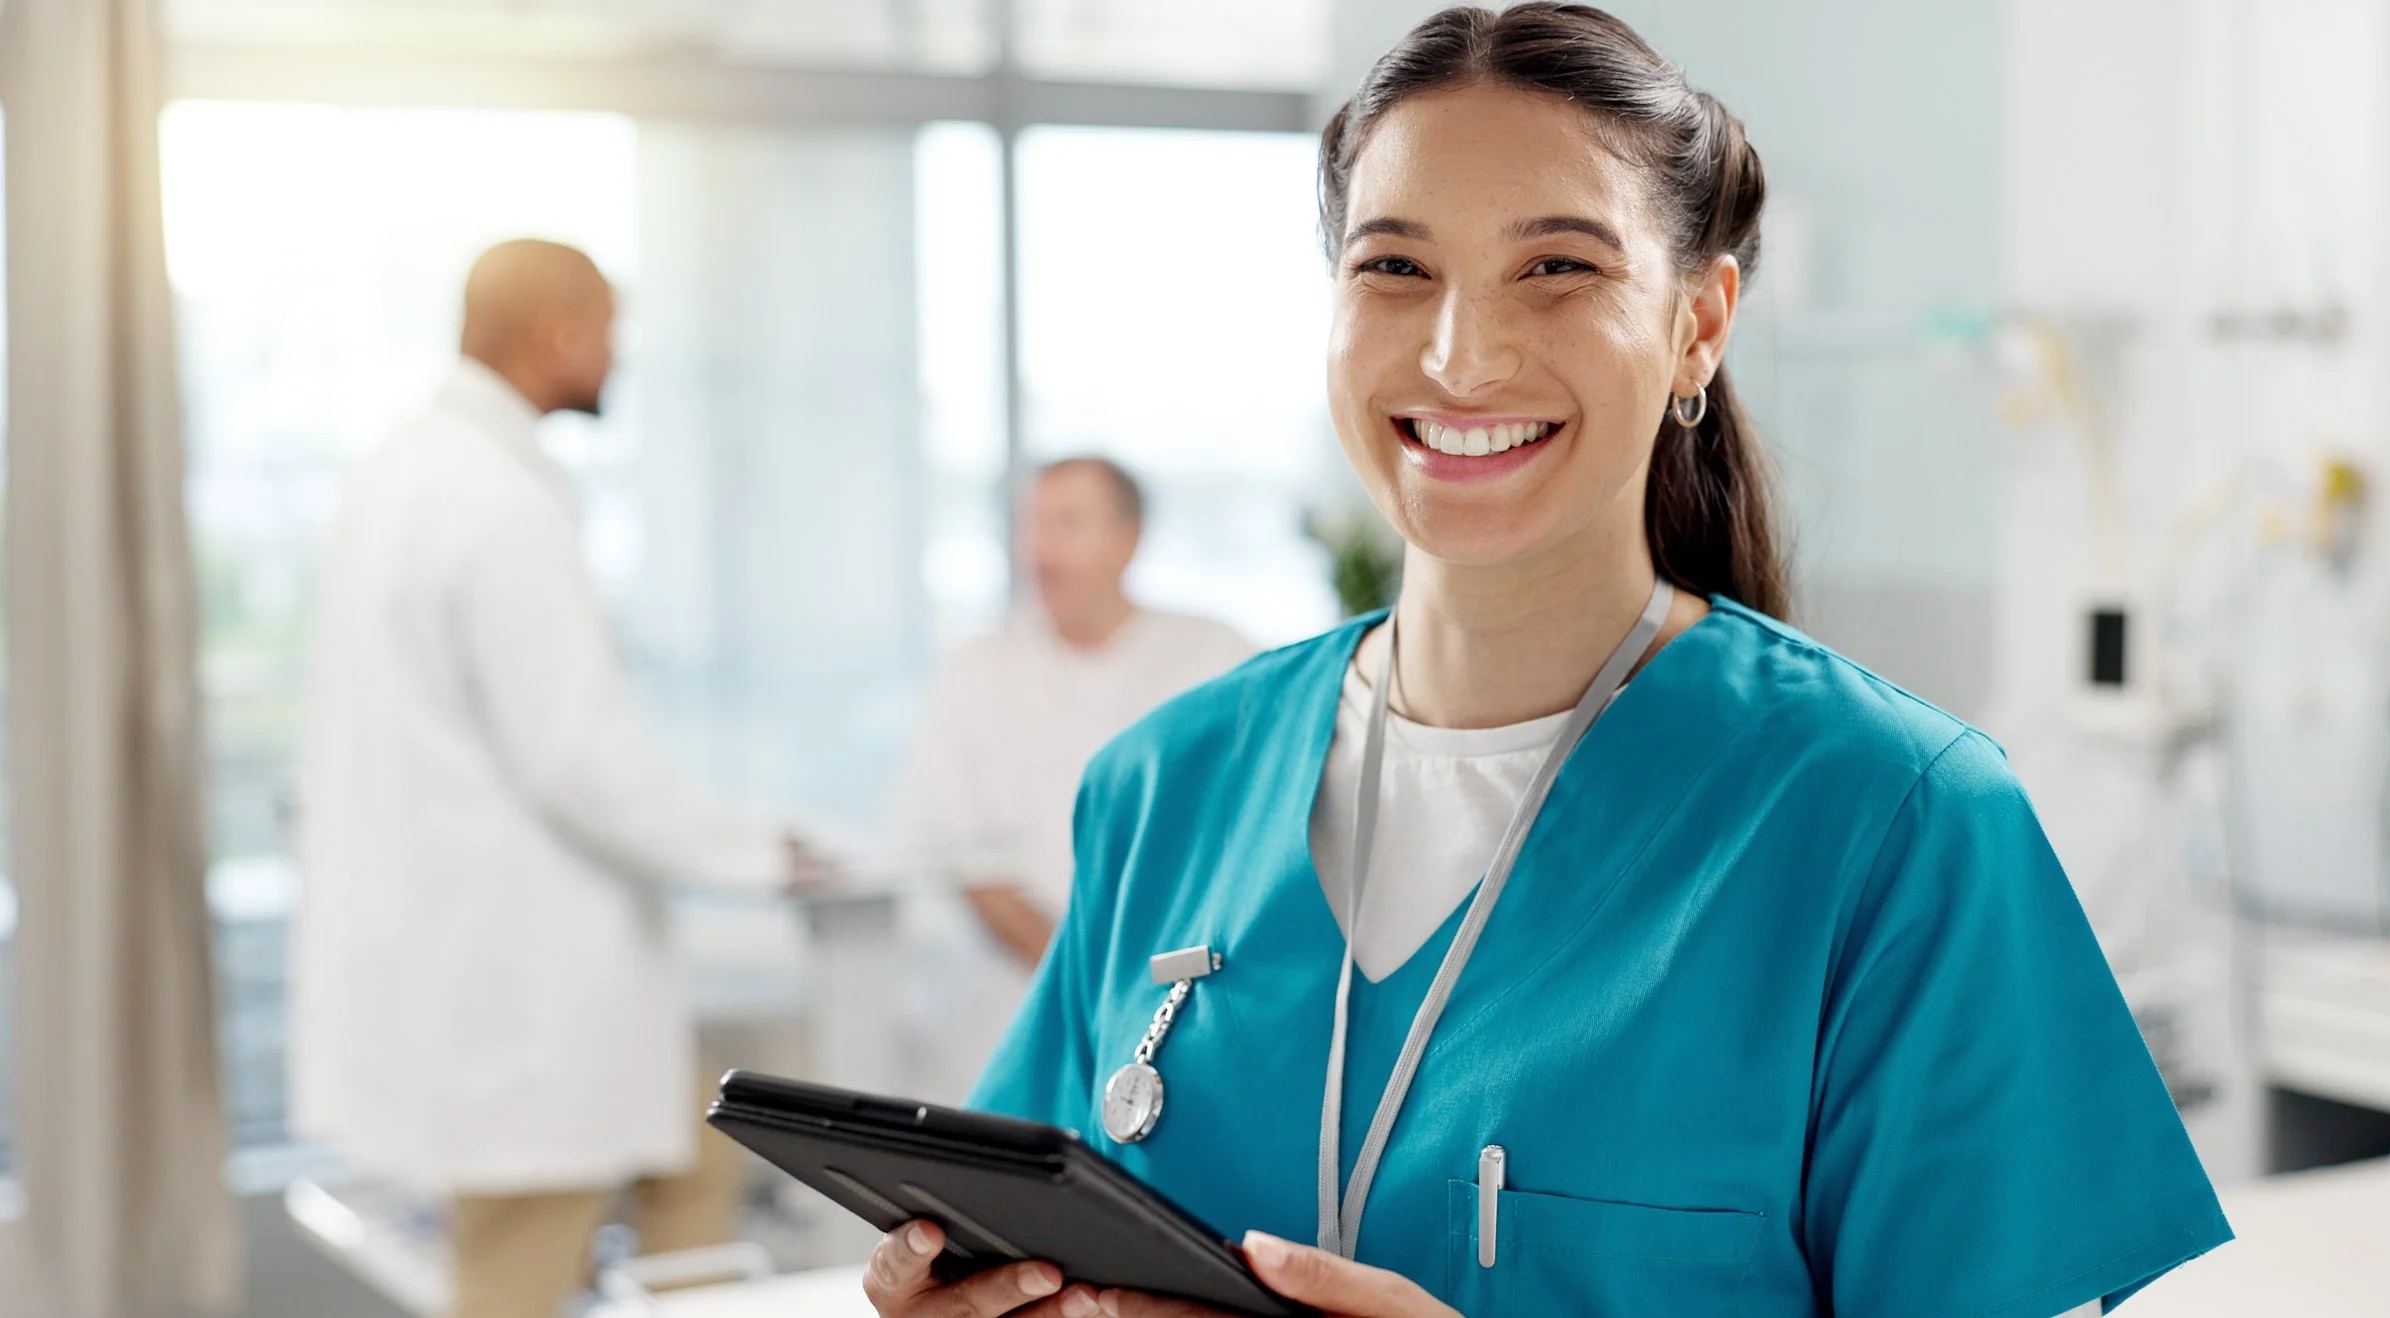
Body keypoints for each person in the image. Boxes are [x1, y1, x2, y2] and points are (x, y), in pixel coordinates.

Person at [861, 7, 2231, 1317]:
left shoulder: (1893, 824)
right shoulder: (1168, 784)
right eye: (1394, 266)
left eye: (1558, 267)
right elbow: (1028, 1234)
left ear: (1699, 323)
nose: (1462, 353)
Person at [293, 239, 831, 1318]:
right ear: (560, 335)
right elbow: (579, 756)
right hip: (516, 990)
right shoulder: (498, 501)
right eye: (610, 333)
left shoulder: (401, 471)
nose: (615, 357)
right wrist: (754, 851)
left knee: (697, 1151)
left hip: (460, 951)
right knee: (516, 1269)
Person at [894, 456, 1256, 1102]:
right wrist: (1088, 980)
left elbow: (1250, 840)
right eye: (1031, 525)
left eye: (1068, 524)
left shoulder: (1216, 659)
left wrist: (1143, 987)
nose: (1041, 549)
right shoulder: (978, 671)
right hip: (1005, 1014)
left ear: (1128, 539)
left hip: (1180, 1010)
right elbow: (969, 860)